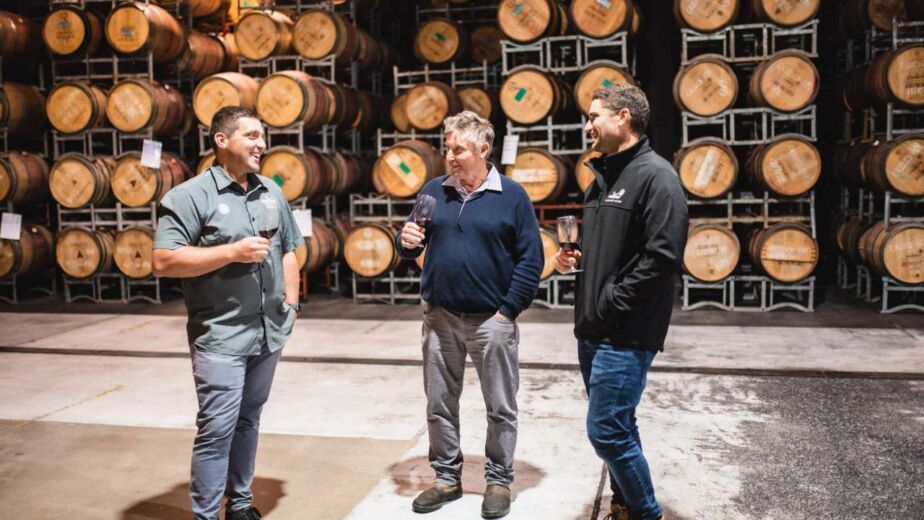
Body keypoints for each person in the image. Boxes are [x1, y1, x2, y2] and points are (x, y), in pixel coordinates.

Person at [153, 106, 304, 520]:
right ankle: (205, 515)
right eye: (251, 136)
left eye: (262, 136)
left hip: (268, 333)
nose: (261, 144)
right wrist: (231, 252)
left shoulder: (271, 191)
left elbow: (289, 249)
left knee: (248, 421)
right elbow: (163, 261)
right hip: (221, 336)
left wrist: (291, 305)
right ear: (221, 140)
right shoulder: (190, 196)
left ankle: (239, 505)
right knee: (217, 429)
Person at [396, 111, 543, 519]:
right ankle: (446, 478)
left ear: (483, 149)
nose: (450, 156)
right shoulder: (434, 190)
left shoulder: (512, 196)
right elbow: (410, 243)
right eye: (447, 148)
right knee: (439, 404)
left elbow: (531, 259)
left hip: (491, 322)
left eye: (458, 149)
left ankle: (498, 480)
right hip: (439, 317)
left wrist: (507, 312)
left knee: (500, 405)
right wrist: (406, 241)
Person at [555, 84, 688, 520]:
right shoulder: (602, 180)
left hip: (625, 332)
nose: (588, 126)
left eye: (594, 116)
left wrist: (612, 299)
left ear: (623, 117)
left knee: (606, 431)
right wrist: (578, 260)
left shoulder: (657, 177)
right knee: (620, 424)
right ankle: (624, 504)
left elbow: (662, 257)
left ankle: (646, 513)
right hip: (594, 327)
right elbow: (611, 252)